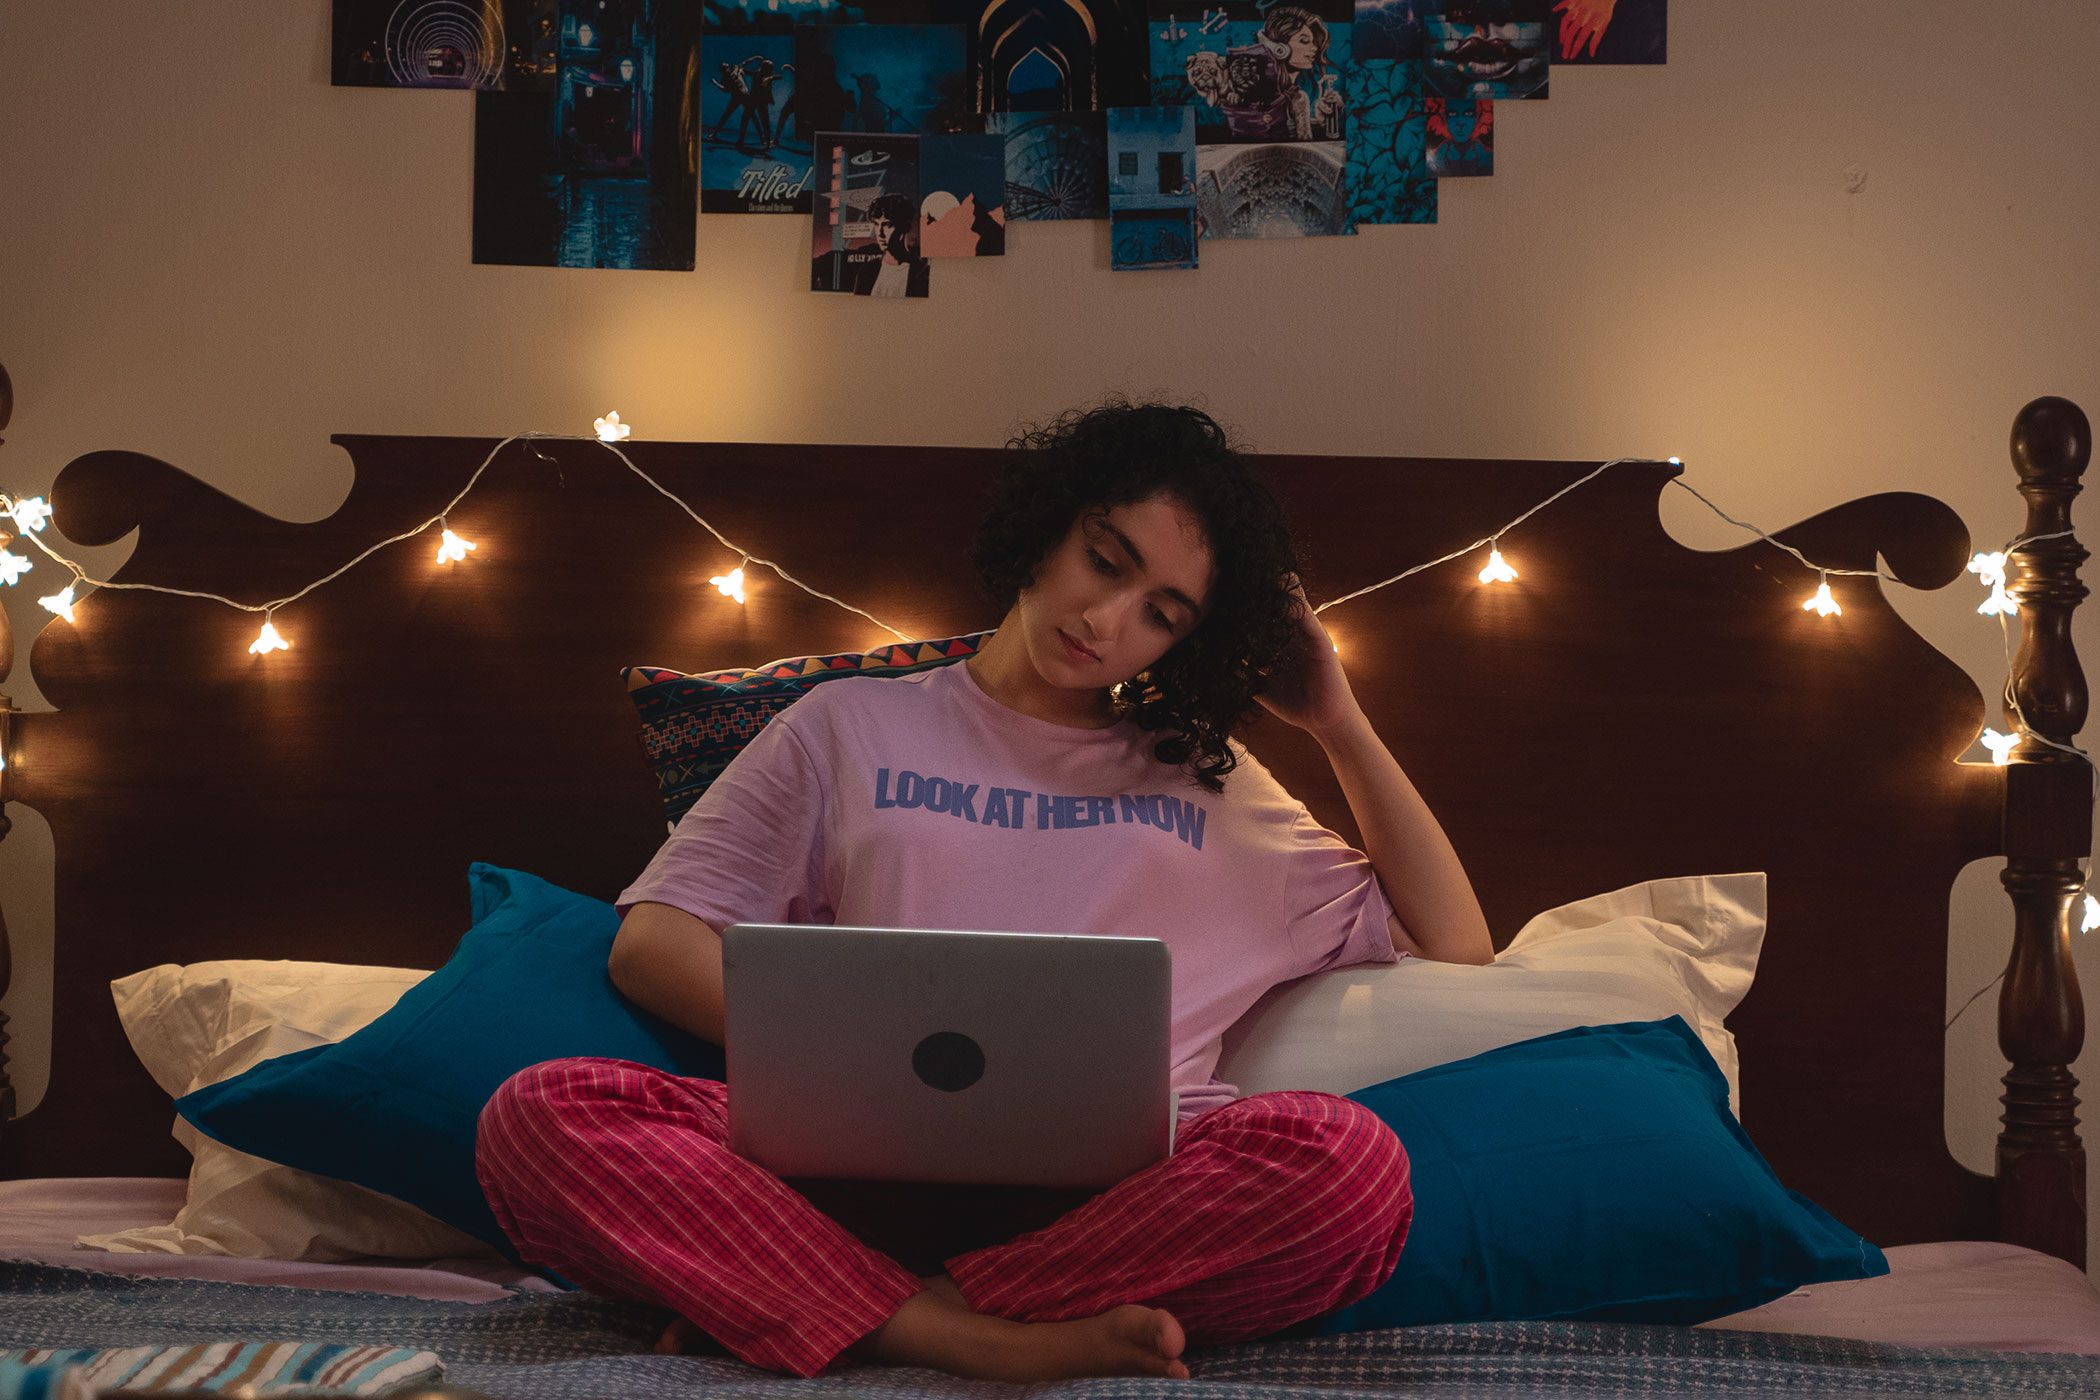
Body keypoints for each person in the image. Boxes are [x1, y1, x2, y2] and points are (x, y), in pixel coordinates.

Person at [473, 402, 1494, 1383]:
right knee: (541, 1114)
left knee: (1352, 1166)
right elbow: (651, 941)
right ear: (1051, 523)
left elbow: (1459, 942)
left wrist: (1339, 723)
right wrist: (855, 1059)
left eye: (1162, 613)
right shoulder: (849, 725)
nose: (1107, 619)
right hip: (837, 1181)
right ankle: (986, 1339)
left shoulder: (1213, 782)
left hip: (1118, 1206)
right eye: (1106, 559)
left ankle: (888, 1310)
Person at [1186, 7, 1346, 141]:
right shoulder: (1253, 86)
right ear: (1280, 49)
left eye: (1314, 43)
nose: (1314, 48)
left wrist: (1322, 120)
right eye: (1304, 41)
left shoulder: (1296, 91)